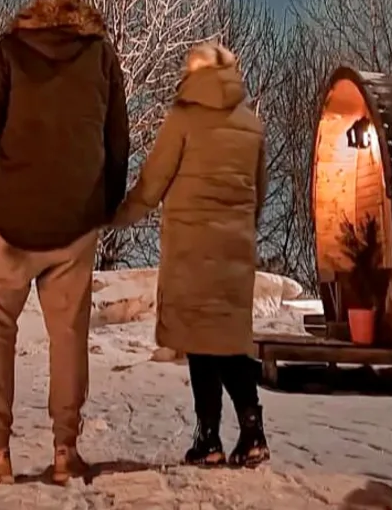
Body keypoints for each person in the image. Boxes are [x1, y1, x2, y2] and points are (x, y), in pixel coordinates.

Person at [0, 0, 130, 491]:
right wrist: (106, 201)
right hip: (75, 218)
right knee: (69, 334)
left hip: (9, 211)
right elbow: (117, 137)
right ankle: (64, 453)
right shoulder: (101, 54)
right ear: (80, 1)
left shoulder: (11, 49)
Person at [112, 40, 269, 469]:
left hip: (191, 247)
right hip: (235, 250)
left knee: (202, 343)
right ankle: (252, 432)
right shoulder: (252, 126)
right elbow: (259, 193)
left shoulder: (183, 118)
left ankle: (209, 438)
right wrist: (241, 235)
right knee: (230, 341)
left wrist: (117, 215)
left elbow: (153, 183)